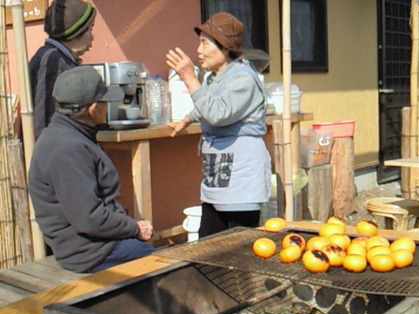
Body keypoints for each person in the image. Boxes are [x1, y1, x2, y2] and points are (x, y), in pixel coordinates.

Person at [28, 66, 156, 273]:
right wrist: (135, 228)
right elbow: (89, 218)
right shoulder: (67, 149)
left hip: (96, 245)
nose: (107, 107)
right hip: (91, 253)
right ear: (93, 108)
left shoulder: (67, 135)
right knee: (173, 272)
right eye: (105, 102)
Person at [165, 12, 271, 238]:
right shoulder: (215, 77)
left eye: (205, 43)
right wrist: (186, 119)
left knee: (238, 244)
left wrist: (188, 77)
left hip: (242, 170)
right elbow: (210, 102)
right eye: (199, 43)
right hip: (218, 168)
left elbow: (218, 113)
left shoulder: (243, 78)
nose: (199, 51)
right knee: (209, 242)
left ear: (224, 48)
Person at [29, 0, 96, 139]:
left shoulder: (55, 57)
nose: (93, 37)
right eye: (91, 29)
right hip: (54, 152)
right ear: (77, 32)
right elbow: (43, 117)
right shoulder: (53, 61)